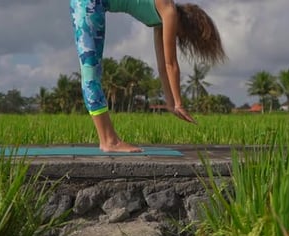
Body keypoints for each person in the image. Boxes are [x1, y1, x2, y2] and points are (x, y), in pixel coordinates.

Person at [69, 0, 226, 152]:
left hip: (94, 4)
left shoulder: (159, 18)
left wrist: (170, 103)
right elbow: (171, 63)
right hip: (89, 2)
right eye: (185, 35)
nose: (179, 38)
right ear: (188, 25)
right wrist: (179, 103)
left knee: (90, 74)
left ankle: (109, 140)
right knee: (90, 74)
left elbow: (163, 66)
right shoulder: (168, 10)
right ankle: (109, 141)